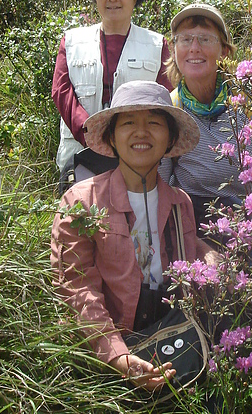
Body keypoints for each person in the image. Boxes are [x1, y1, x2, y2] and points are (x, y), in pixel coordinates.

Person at [51, 80, 217, 390]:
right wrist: (119, 358)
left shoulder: (179, 202)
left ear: (169, 139)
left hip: (168, 340)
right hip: (103, 358)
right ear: (112, 137)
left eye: (154, 123)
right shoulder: (80, 203)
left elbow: (190, 267)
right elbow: (76, 290)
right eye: (128, 123)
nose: (141, 132)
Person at [52, 0, 172, 193]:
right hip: (79, 155)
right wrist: (91, 133)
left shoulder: (157, 45)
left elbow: (164, 99)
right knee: (82, 225)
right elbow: (61, 91)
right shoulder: (72, 41)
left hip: (138, 157)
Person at [161, 3, 252, 233]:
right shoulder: (169, 110)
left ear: (224, 50)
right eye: (185, 39)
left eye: (205, 39)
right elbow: (159, 185)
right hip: (198, 227)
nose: (194, 48)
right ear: (174, 49)